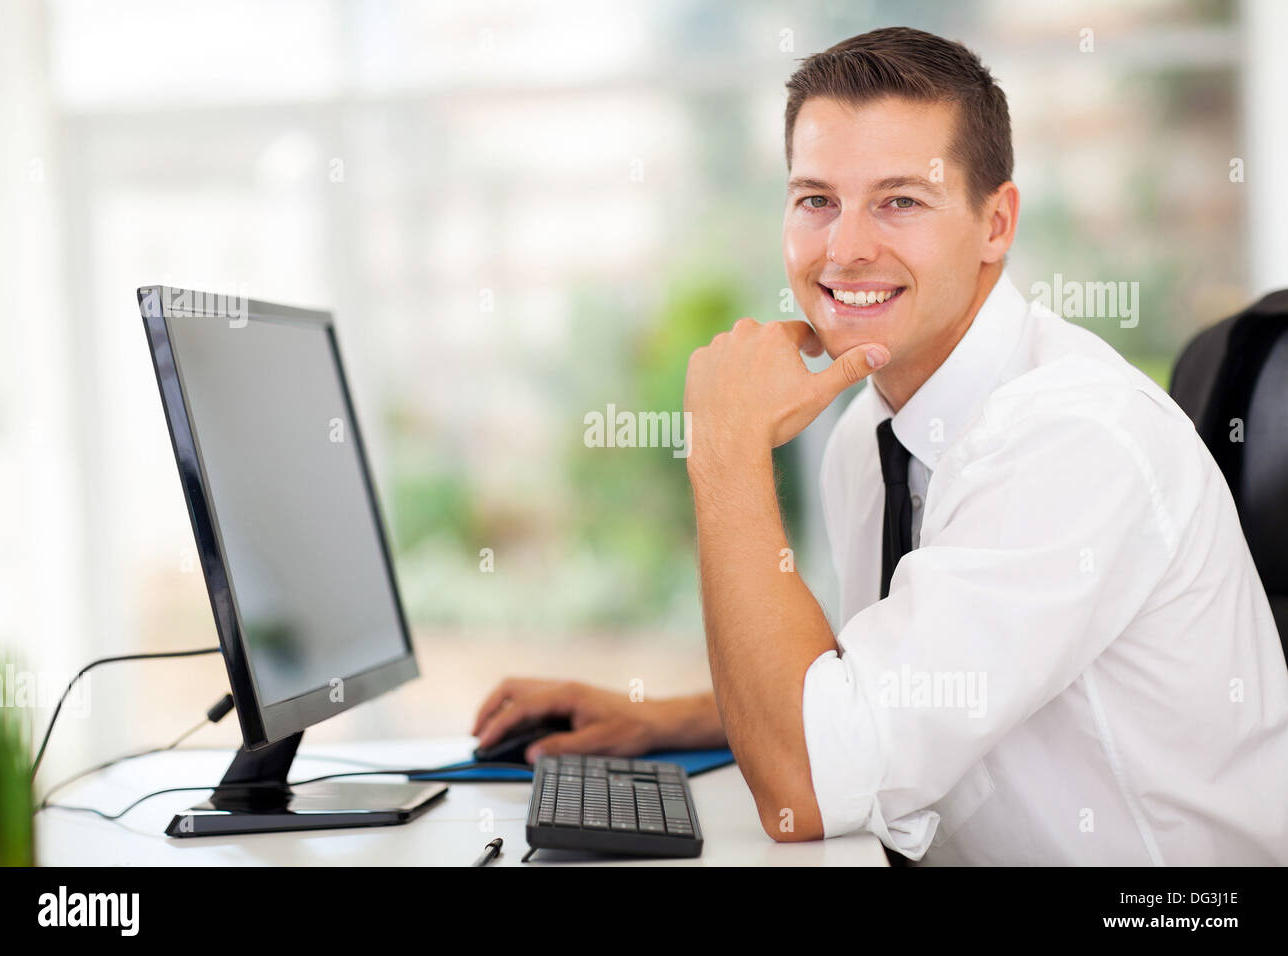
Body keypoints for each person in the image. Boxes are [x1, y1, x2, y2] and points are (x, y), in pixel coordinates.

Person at [472, 27, 1288, 865]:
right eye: (816, 199)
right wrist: (667, 718)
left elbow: (809, 792)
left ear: (995, 222)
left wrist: (726, 447)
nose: (846, 247)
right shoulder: (868, 437)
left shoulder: (1071, 438)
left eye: (900, 199)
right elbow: (876, 690)